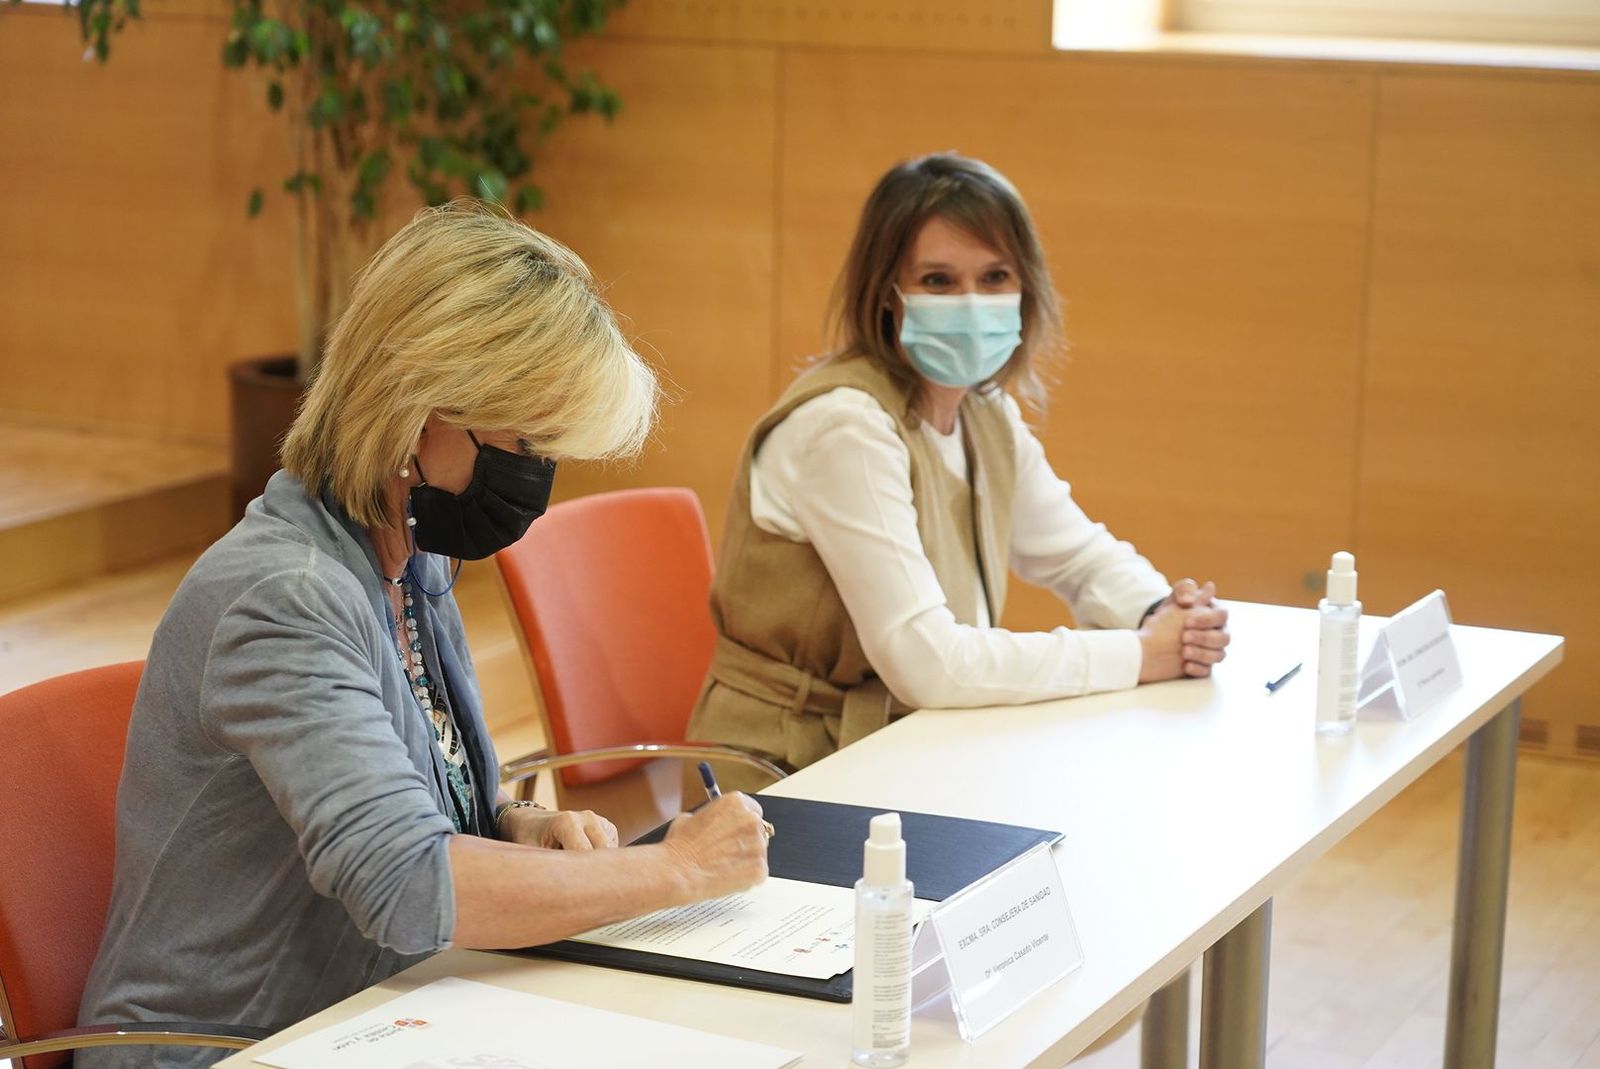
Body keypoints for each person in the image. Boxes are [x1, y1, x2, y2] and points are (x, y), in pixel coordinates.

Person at [77, 203, 769, 1068]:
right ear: (416, 412)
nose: (536, 472)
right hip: (226, 1049)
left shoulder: (410, 557)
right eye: (524, 438)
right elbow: (405, 883)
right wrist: (675, 870)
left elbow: (415, 801)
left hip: (381, 1015)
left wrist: (512, 824)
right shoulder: (285, 597)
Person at [685, 153, 1231, 792]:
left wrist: (1166, 613)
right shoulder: (845, 428)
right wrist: (1141, 654)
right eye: (939, 281)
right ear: (887, 293)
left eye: (995, 276)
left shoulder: (984, 411)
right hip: (784, 774)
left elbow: (1076, 555)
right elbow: (928, 663)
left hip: (909, 744)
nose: (972, 303)